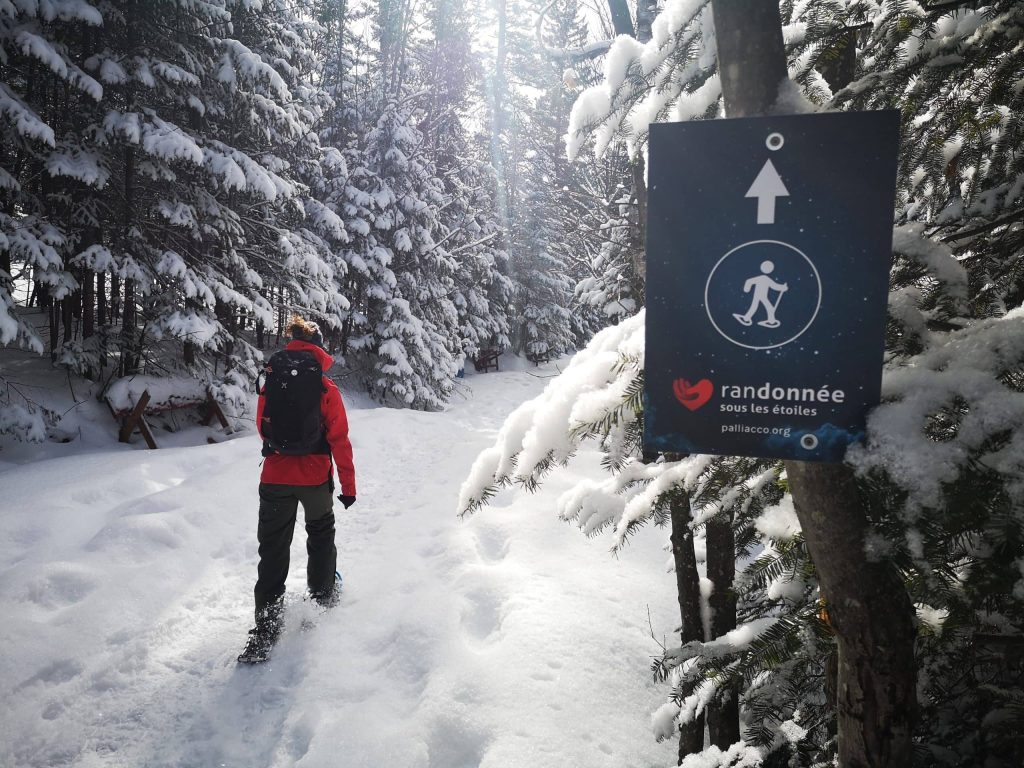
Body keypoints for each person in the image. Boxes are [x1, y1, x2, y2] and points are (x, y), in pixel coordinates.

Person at [240, 315, 356, 662]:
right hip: (315, 478)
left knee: (273, 549)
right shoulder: (324, 388)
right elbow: (339, 440)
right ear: (318, 348)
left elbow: (263, 428)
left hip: (274, 477)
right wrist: (348, 487)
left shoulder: (272, 381)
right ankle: (320, 602)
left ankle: (265, 629)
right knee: (320, 534)